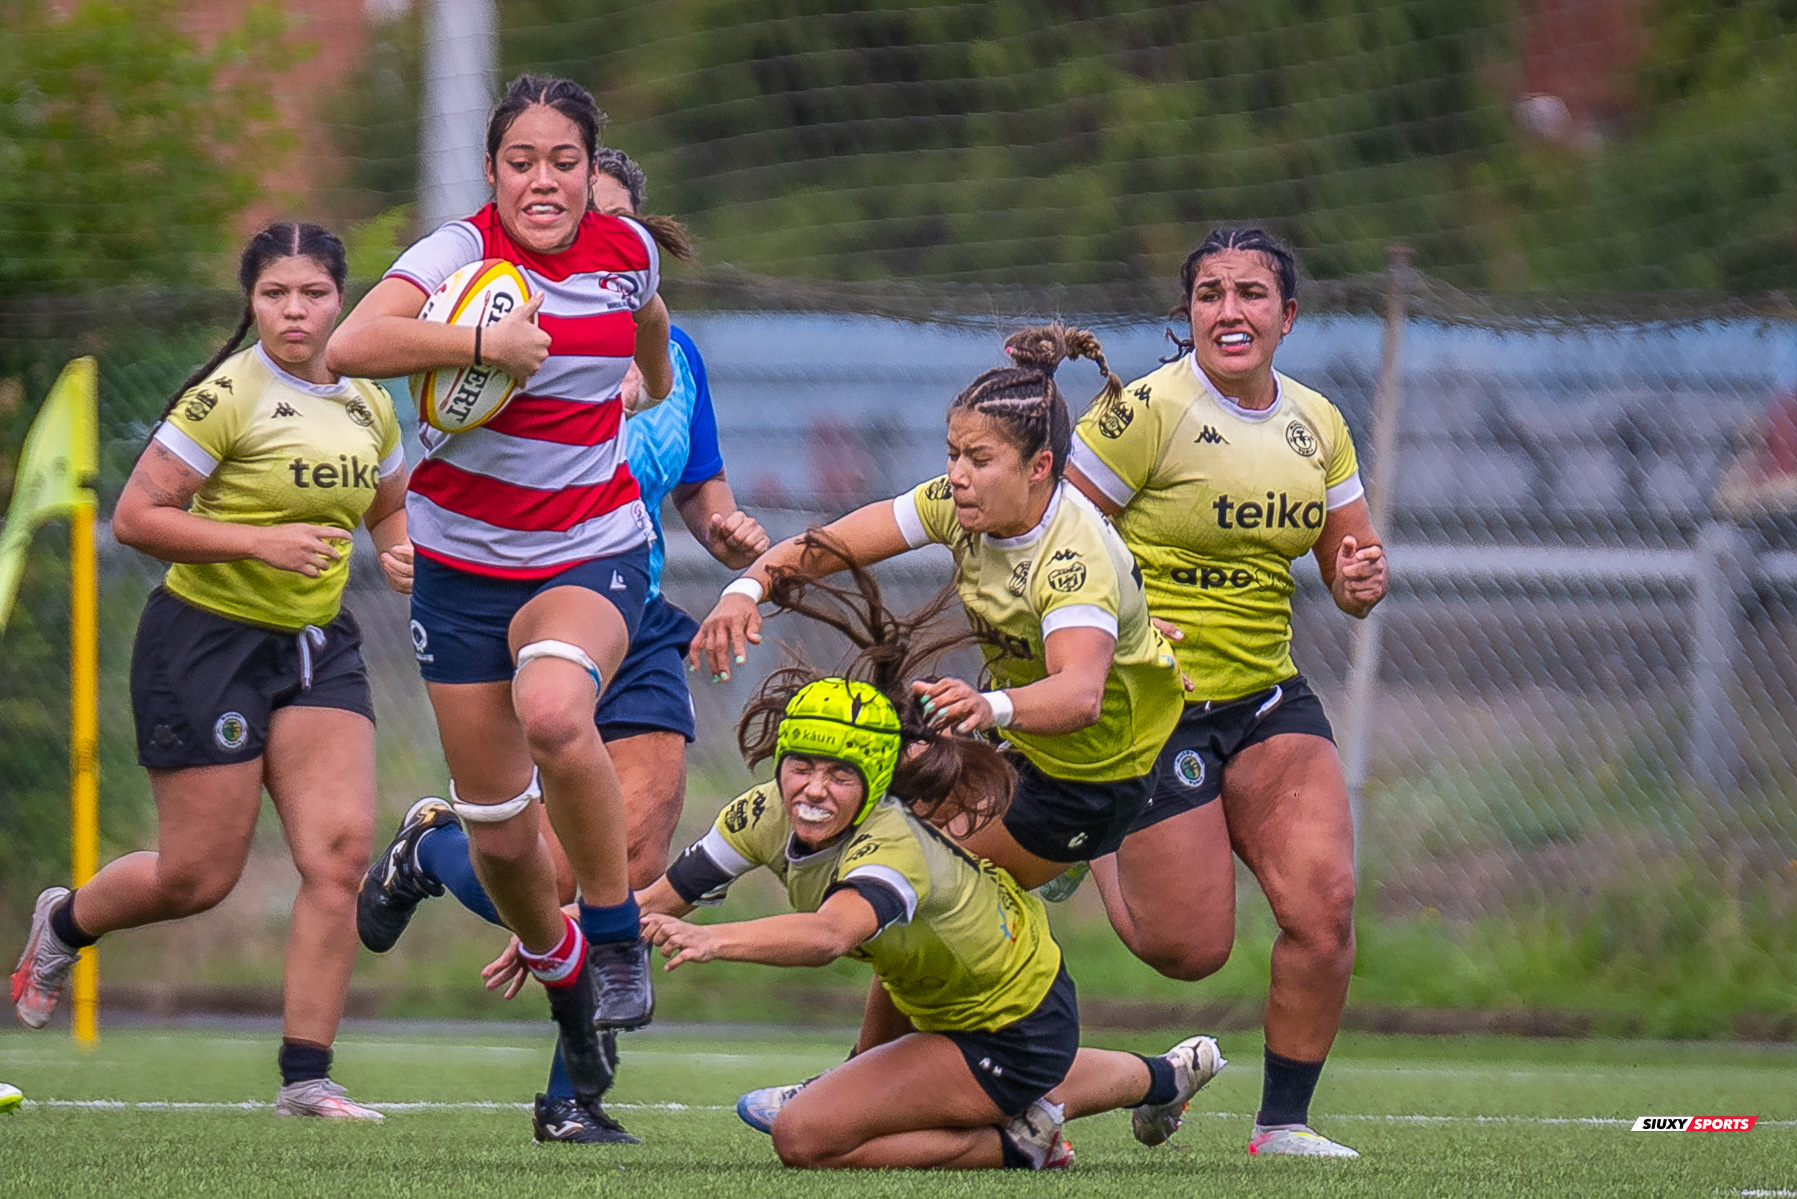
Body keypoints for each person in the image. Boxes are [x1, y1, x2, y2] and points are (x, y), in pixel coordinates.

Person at [490, 570, 1224, 1170]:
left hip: (1010, 1025)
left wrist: (716, 940)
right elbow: (652, 897)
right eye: (801, 765)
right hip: (964, 1002)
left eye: (839, 775)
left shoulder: (893, 845)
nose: (812, 788)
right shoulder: (765, 812)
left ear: (873, 783)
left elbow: (829, 936)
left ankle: (1016, 1142)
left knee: (803, 1136)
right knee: (917, 1080)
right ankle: (1162, 1076)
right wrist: (549, 934)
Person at [354, 149, 769, 1143]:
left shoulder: (667, 341)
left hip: (633, 604)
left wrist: (731, 538)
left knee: (627, 849)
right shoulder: (488, 325)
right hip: (511, 606)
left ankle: (572, 1098)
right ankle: (436, 849)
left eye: (604, 221)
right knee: (534, 865)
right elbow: (407, 418)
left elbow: (700, 484)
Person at [327, 75, 686, 1127]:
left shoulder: (628, 253)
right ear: (493, 172)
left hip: (591, 547)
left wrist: (648, 386)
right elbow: (353, 346)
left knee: (556, 712)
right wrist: (481, 345)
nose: (543, 179)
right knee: (501, 839)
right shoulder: (455, 255)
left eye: (563, 161)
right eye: (521, 161)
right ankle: (572, 995)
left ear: (590, 169)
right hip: (461, 567)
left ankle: (614, 939)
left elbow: (652, 319)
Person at [9, 223, 409, 1119]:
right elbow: (139, 517)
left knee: (340, 853)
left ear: (341, 297)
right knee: (199, 876)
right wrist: (261, 542)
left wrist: (399, 550)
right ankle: (66, 923)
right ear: (252, 302)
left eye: (311, 293)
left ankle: (308, 1076)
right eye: (276, 295)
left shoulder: (370, 401)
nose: (295, 311)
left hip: (316, 644)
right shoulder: (229, 393)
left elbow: (389, 498)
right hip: (206, 643)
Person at [1064, 227, 1389, 1158]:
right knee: (1189, 950)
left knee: (1323, 913)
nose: (1229, 311)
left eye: (1251, 294)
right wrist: (1113, 626)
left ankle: (1281, 1124)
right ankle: (1083, 837)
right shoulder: (1146, 411)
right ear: (1188, 313)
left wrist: (1360, 579)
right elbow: (1057, 541)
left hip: (1264, 699)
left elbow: (1349, 560)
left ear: (1288, 316)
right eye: (1210, 293)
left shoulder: (1316, 422)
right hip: (1156, 700)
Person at [691, 326, 1186, 892]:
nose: (957, 475)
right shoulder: (956, 503)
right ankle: (662, 903)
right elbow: (834, 545)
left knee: (903, 888)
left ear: (1039, 466)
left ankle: (1072, 872)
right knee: (868, 806)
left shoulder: (1072, 559)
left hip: (1095, 777)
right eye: (953, 453)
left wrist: (988, 705)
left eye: (979, 458)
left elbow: (1080, 695)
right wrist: (743, 593)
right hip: (1019, 744)